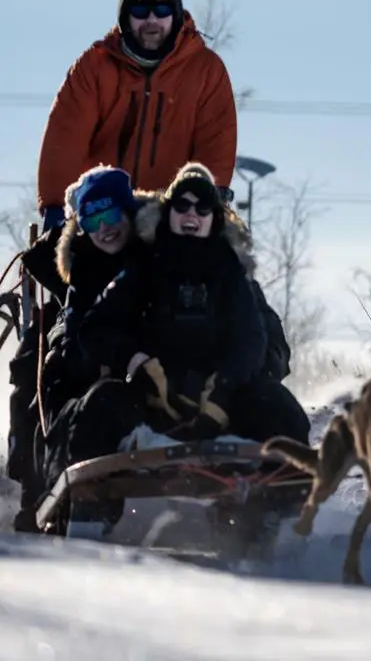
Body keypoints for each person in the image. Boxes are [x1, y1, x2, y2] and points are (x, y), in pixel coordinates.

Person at [46, 163, 310, 534]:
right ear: (168, 213)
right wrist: (135, 363)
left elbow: (253, 339)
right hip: (149, 400)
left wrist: (225, 387)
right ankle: (86, 522)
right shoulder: (143, 265)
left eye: (202, 208)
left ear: (214, 218)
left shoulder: (231, 272)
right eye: (182, 207)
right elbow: (96, 327)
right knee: (99, 404)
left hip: (219, 403)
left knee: (279, 406)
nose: (192, 215)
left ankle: (279, 524)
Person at [34, 0, 236, 234]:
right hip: (103, 216)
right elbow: (65, 137)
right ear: (125, 17)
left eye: (162, 10)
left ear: (174, 15)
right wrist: (56, 205)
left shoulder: (205, 71)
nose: (151, 20)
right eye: (140, 11)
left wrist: (209, 201)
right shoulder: (94, 67)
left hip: (171, 219)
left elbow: (216, 145)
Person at [6, 165, 147, 533]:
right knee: (44, 383)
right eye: (92, 216)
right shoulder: (80, 264)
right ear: (80, 224)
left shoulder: (153, 256)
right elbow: (78, 329)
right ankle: (43, 492)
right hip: (89, 367)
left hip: (144, 369)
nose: (105, 225)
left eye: (111, 212)